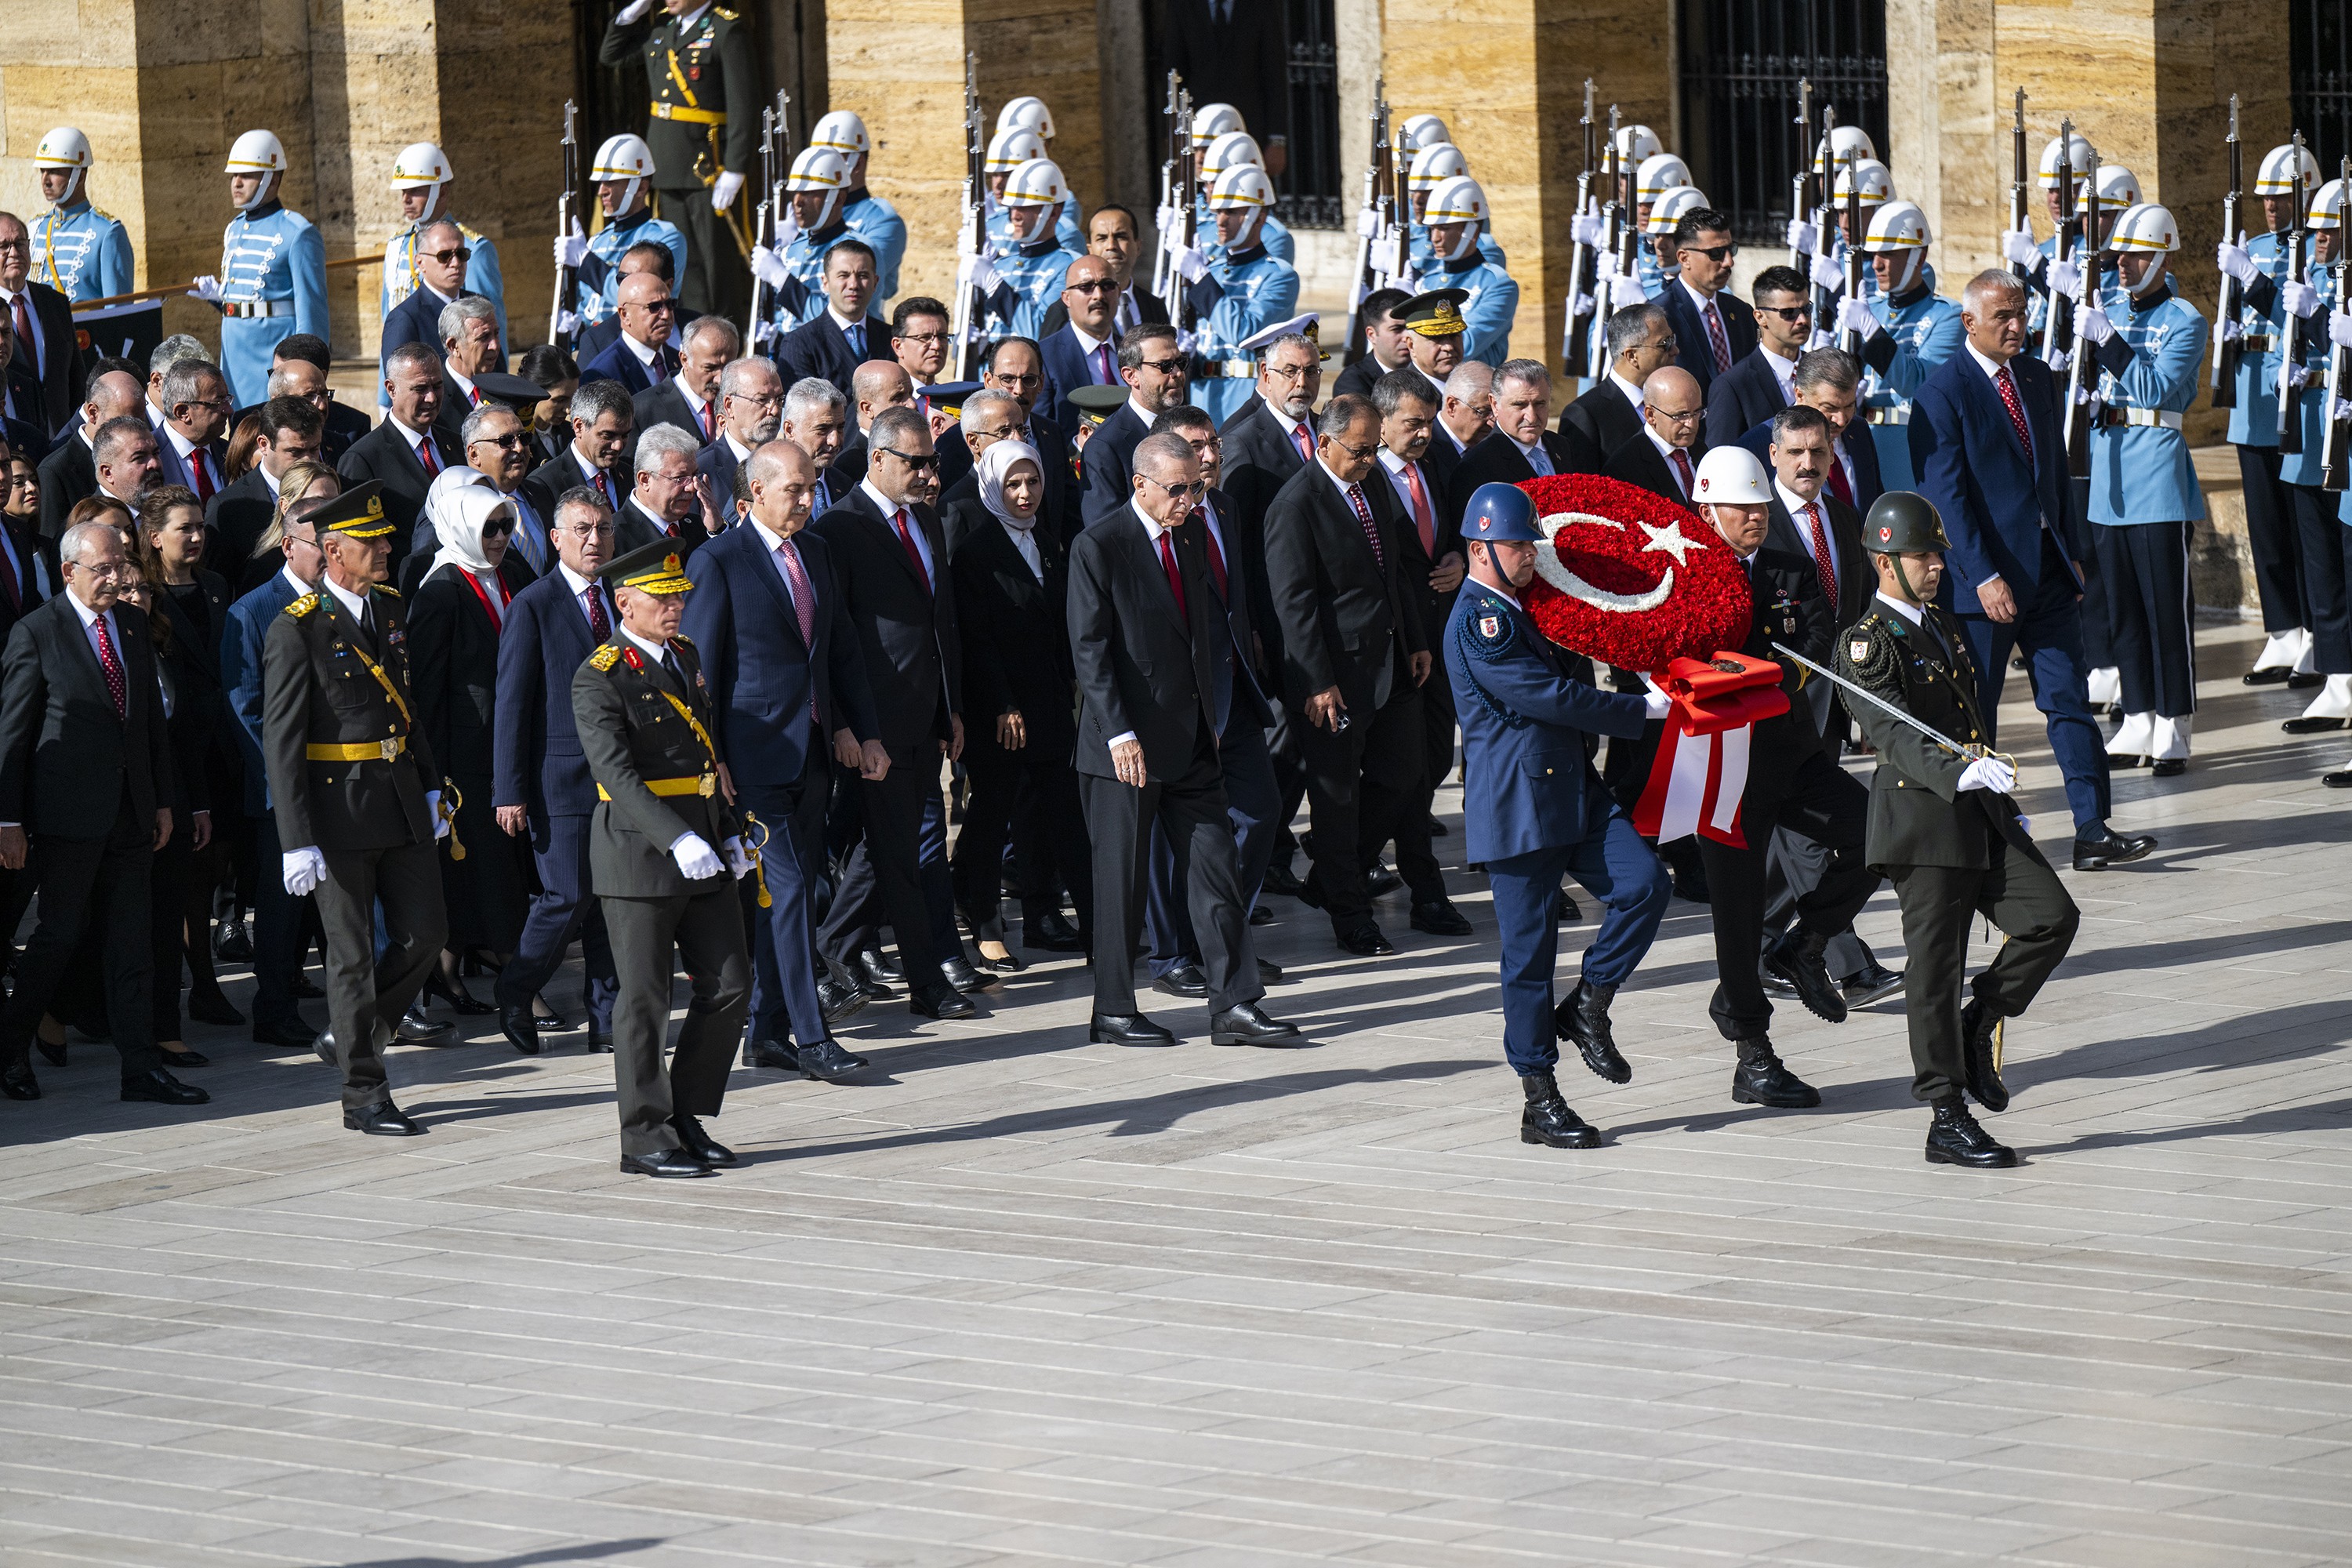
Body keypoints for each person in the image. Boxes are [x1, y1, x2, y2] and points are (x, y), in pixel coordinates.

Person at [1835, 492, 2080, 1170]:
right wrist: (1958, 773)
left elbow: (1968, 716)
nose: (1938, 565)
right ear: (1887, 563)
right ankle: (1945, 1113)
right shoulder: (1864, 642)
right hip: (1923, 820)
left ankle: (1982, 1019)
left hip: (1980, 810)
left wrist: (1989, 780)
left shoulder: (1943, 623)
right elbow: (1888, 727)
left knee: (2051, 917)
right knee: (1935, 972)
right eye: (1923, 555)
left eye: (1938, 553)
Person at [1444, 484, 1672, 1149]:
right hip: (1520, 809)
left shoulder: (1523, 606)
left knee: (1644, 885)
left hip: (1574, 791)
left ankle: (1590, 1005)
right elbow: (1540, 695)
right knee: (1529, 958)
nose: (1527, 555)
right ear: (1480, 548)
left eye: (1528, 544)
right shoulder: (1478, 620)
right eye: (1517, 545)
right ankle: (1538, 1095)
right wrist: (1642, 711)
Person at [1910, 269, 2156, 872]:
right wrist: (1984, 574)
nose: (2019, 326)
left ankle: (2093, 828)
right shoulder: (1943, 393)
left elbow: (2055, 473)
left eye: (2022, 314)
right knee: (1978, 713)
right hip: (1983, 586)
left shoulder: (2038, 378)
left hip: (2046, 572)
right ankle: (1984, 835)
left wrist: (2070, 548)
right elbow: (1948, 497)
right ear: (1970, 322)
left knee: (2069, 699)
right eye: (2004, 318)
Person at [1067, 430, 1296, 1047]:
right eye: (1177, 489)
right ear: (1140, 484)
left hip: (1192, 737)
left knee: (1216, 869)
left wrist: (1213, 720)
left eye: (1197, 487)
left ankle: (1236, 1004)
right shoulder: (1100, 546)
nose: (1190, 500)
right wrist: (1119, 733)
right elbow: (1091, 653)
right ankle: (1113, 1010)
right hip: (1123, 748)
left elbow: (1204, 634)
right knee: (1121, 882)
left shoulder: (1192, 533)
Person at [1679, 445, 1878, 1101]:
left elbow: (1817, 638)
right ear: (1707, 510)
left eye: (1761, 505)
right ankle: (1752, 1051)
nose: (1756, 516)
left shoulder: (1790, 567)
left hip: (1789, 750)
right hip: (1721, 766)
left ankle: (1805, 943)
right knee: (1735, 912)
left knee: (1876, 832)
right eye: (1741, 507)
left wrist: (1771, 673)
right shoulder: (1679, 576)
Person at [681, 438, 880, 1076]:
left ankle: (765, 1030)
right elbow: (700, 673)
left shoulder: (816, 553)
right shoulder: (718, 561)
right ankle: (811, 1034)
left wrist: (857, 729)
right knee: (789, 892)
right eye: (794, 488)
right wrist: (711, 758)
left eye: (811, 486)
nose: (807, 498)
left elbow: (841, 651)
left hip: (814, 756)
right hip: (751, 763)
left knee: (788, 898)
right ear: (755, 493)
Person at [262, 481, 451, 1136]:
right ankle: (364, 1094)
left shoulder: (390, 611)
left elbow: (408, 706)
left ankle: (354, 1033)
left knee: (426, 933)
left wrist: (429, 785)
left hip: (398, 798)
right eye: (372, 543)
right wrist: (295, 838)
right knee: (349, 958)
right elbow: (281, 741)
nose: (386, 549)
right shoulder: (299, 627)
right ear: (334, 552)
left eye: (386, 539)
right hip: (335, 812)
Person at [0, 516, 203, 1111]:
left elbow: (149, 730)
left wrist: (164, 801)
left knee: (132, 945)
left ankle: (140, 1069)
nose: (117, 578)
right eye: (104, 568)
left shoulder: (134, 628)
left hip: (134, 814)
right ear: (69, 572)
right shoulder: (37, 632)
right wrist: (7, 821)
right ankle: (11, 1047)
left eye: (121, 565)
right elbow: (11, 737)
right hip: (66, 818)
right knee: (58, 937)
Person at [573, 539, 753, 1176]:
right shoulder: (600, 673)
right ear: (625, 601)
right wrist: (677, 838)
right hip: (640, 855)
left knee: (731, 984)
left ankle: (685, 1112)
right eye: (661, 597)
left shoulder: (685, 656)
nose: (675, 606)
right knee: (645, 999)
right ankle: (643, 1137)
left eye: (679, 595)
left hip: (703, 841)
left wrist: (726, 828)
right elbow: (616, 776)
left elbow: (704, 757)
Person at [806, 405, 977, 1019]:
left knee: (894, 853)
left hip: (923, 715)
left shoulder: (928, 521)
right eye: (918, 463)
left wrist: (951, 709)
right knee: (892, 852)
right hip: (875, 721)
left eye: (934, 462)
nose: (931, 474)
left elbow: (942, 624)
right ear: (878, 458)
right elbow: (835, 638)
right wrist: (850, 726)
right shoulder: (839, 528)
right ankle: (873, 966)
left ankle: (847, 959)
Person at [1261, 394, 1428, 956]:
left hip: (1391, 663)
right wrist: (1315, 681)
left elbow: (1394, 569)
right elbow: (1293, 604)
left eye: (1375, 448)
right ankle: (1352, 917)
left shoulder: (1372, 483)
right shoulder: (1295, 505)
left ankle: (1333, 879)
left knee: (1404, 777)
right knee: (1336, 800)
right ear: (1324, 443)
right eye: (1360, 450)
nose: (1371, 460)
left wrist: (1416, 641)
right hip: (1333, 678)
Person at [947, 437, 1094, 960]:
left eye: (1032, 481)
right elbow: (978, 637)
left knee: (1063, 818)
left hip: (1050, 705)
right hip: (1000, 711)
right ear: (992, 485)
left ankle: (1095, 929)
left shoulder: (1048, 546)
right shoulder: (975, 553)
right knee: (993, 816)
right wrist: (1004, 703)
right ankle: (986, 925)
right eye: (1013, 483)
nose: (1025, 493)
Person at [2080, 203, 2209, 776]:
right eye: (2119, 257)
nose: (2123, 266)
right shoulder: (2105, 308)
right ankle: (2137, 715)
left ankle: (2174, 723)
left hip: (2157, 474)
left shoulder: (2185, 319)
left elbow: (2157, 387)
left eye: (2133, 256)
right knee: (2122, 611)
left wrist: (2107, 342)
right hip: (2108, 477)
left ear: (2160, 254)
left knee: (2165, 611)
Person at [492, 491, 622, 1056]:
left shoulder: (623, 599)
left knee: (612, 901)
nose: (595, 540)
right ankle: (516, 990)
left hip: (620, 781)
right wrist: (509, 790)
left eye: (603, 528)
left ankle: (609, 1018)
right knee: (565, 897)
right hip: (560, 780)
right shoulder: (535, 603)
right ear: (556, 538)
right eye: (582, 529)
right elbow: (513, 703)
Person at [410, 481, 532, 1022]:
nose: (501, 537)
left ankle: (449, 969)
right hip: (466, 755)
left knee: (492, 867)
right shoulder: (440, 591)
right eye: (490, 528)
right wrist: (432, 771)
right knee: (485, 867)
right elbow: (429, 690)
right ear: (462, 528)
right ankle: (515, 978)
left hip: (511, 744)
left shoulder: (513, 575)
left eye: (507, 525)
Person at [136, 488, 241, 1047]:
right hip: (178, 753)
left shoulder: (218, 588)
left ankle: (203, 979)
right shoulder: (144, 596)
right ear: (155, 537)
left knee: (218, 864)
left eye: (201, 526)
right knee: (182, 877)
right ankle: (192, 981)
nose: (197, 536)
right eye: (184, 529)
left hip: (220, 749)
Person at [2216, 141, 2324, 685]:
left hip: (2293, 398)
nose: (2271, 208)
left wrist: (2254, 284)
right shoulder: (2254, 244)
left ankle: (2311, 627)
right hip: (2253, 397)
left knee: (2299, 523)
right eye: (2265, 199)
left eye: (2280, 197)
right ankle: (2282, 629)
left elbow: (2297, 321)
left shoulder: (2315, 256)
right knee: (2265, 525)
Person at [1367, 370, 1470, 934]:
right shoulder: (1366, 481)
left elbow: (1450, 534)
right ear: (1381, 424)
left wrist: (1457, 556)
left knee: (1427, 767)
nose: (1425, 433)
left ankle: (1359, 867)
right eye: (1413, 423)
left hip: (1439, 641)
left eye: (1430, 422)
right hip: (1393, 649)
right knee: (1401, 773)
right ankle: (1423, 890)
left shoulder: (1436, 466)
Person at [597, 0, 754, 318]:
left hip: (708, 167)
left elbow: (744, 105)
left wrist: (736, 167)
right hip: (667, 166)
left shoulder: (726, 29)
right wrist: (633, 12)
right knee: (685, 265)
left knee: (717, 267)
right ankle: (694, 336)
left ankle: (727, 339)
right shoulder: (662, 28)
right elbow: (611, 55)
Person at [203, 131, 328, 408]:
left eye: (246, 175)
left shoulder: (298, 232)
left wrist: (307, 371)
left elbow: (312, 312)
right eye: (233, 176)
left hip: (273, 353)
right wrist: (217, 298)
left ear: (271, 178)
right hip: (235, 352)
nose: (236, 183)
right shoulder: (234, 228)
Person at [1179, 168, 1303, 425]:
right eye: (1218, 212)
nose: (1221, 221)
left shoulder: (1280, 276)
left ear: (1259, 216)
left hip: (1245, 397)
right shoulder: (1209, 273)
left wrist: (1201, 279)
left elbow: (1243, 331)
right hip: (1200, 394)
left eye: (1232, 212)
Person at [560, 131, 688, 343]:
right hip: (597, 348)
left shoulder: (666, 238)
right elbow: (589, 306)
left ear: (641, 187)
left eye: (612, 182)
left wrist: (585, 261)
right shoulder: (597, 242)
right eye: (601, 183)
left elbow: (638, 296)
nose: (602, 191)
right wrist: (575, 329)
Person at [338, 342, 461, 554]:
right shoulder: (363, 459)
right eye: (420, 389)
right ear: (391, 389)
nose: (431, 398)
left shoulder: (455, 442)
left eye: (437, 386)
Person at [380, 142, 506, 347]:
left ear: (442, 192)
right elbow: (388, 321)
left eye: (415, 190)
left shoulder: (474, 249)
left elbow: (490, 331)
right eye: (403, 191)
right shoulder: (398, 246)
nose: (406, 199)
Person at [1737, 347, 1882, 513]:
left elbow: (1876, 501)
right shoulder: (1756, 446)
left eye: (1849, 406)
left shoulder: (1858, 430)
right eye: (1830, 408)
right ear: (1799, 395)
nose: (1841, 420)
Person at [379, 220, 500, 412]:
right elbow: (403, 388)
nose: (456, 263)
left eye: (462, 254)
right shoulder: (405, 318)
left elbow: (496, 364)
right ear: (420, 262)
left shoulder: (479, 305)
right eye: (444, 256)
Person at [1079, 324, 1190, 527]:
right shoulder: (1104, 447)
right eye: (1165, 366)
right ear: (1131, 375)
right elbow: (1106, 534)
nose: (1177, 373)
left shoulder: (1191, 430)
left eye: (1180, 363)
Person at [973, 159, 1088, 344]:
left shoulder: (1069, 268)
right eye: (1012, 207)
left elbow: (1039, 332)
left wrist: (996, 287)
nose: (1015, 216)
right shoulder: (1001, 265)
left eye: (1025, 207)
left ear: (1053, 213)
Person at [206, 395, 324, 572]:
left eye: (314, 449)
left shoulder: (340, 490)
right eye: (295, 452)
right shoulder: (228, 508)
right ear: (263, 444)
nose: (308, 460)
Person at [1411, 176, 1516, 367]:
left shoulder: (1498, 284)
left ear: (1472, 231)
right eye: (1432, 229)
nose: (1435, 238)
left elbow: (1465, 345)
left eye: (1444, 228)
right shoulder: (1427, 281)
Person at [1556, 303, 1673, 472]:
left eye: (1673, 339)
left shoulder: (1672, 397)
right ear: (1632, 356)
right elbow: (1582, 490)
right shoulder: (1586, 414)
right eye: (1665, 343)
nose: (1675, 350)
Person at [808, 111, 908, 303]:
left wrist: (784, 277)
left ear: (857, 163)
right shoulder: (804, 212)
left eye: (832, 159)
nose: (821, 168)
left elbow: (848, 292)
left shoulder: (882, 220)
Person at [0, 211, 84, 443]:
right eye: (4, 246)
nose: (14, 253)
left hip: (63, 439)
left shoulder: (54, 301)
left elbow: (75, 376)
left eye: (20, 244)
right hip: (15, 446)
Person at [28, 128, 133, 309]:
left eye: (54, 171)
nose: (45, 180)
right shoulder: (36, 227)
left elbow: (118, 310)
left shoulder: (107, 232)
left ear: (80, 177)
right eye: (42, 171)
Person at [1447, 358, 1576, 507]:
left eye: (1540, 404)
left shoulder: (1561, 446)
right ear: (1495, 404)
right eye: (1519, 405)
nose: (1531, 416)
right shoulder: (1477, 466)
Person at [1706, 264, 1813, 443]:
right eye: (1789, 313)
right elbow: (1721, 460)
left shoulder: (1819, 371)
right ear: (1760, 317)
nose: (1802, 320)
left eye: (1806, 310)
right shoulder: (1733, 385)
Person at [38, 365, 143, 542]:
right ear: (93, 413)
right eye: (124, 420)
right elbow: (55, 548)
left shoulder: (148, 456)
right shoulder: (55, 472)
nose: (135, 429)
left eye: (140, 420)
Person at [777, 240, 893, 396]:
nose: (853, 284)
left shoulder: (891, 338)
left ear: (875, 283)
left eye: (863, 275)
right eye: (843, 275)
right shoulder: (800, 343)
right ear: (825, 283)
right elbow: (801, 410)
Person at [524, 377, 636, 522]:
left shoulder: (630, 475)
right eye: (608, 435)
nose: (618, 446)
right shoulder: (544, 486)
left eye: (625, 435)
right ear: (579, 427)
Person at [1040, 255, 1125, 431]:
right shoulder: (1044, 356)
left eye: (1107, 286)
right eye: (1086, 287)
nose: (1098, 295)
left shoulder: (1135, 352)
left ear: (1118, 292)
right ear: (1066, 298)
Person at [1604, 365, 1706, 503]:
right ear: (1651, 415)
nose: (1692, 424)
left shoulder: (1701, 450)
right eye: (1681, 416)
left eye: (1697, 413)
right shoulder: (1624, 469)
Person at [632, 314, 737, 447]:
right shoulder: (643, 410)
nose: (720, 379)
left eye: (728, 367)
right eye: (710, 368)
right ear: (685, 360)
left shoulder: (743, 402)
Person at [260, 336, 372, 461]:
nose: (322, 405)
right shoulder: (253, 431)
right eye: (308, 397)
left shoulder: (342, 443)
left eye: (324, 394)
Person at [695, 354, 782, 500]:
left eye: (779, 400)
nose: (774, 410)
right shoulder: (702, 472)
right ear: (729, 406)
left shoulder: (789, 463)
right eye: (762, 400)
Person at [582, 270, 682, 397]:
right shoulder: (602, 374)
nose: (666, 314)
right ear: (625, 315)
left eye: (670, 304)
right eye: (654, 307)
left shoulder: (679, 360)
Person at [151, 358, 231, 504]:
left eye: (227, 399)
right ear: (183, 412)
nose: (229, 410)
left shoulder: (229, 452)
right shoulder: (147, 459)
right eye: (218, 402)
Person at [779, 376, 853, 514]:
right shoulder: (769, 488)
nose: (835, 441)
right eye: (822, 430)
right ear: (790, 430)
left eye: (840, 428)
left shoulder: (845, 485)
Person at [1333, 288, 1416, 401]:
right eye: (1397, 329)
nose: (1407, 337)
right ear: (1371, 335)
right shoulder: (1353, 383)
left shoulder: (1429, 371)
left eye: (1412, 328)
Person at [519, 345, 580, 466]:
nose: (568, 410)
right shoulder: (516, 441)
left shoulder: (572, 435)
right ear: (533, 391)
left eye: (573, 399)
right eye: (560, 400)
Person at [1434, 361, 1494, 465]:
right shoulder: (1424, 449)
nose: (1492, 422)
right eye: (1484, 412)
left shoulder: (1495, 448)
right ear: (1452, 406)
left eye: (1496, 412)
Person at [889, 296, 952, 390]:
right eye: (925, 337)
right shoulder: (882, 402)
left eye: (942, 337)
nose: (937, 345)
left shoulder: (953, 402)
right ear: (898, 346)